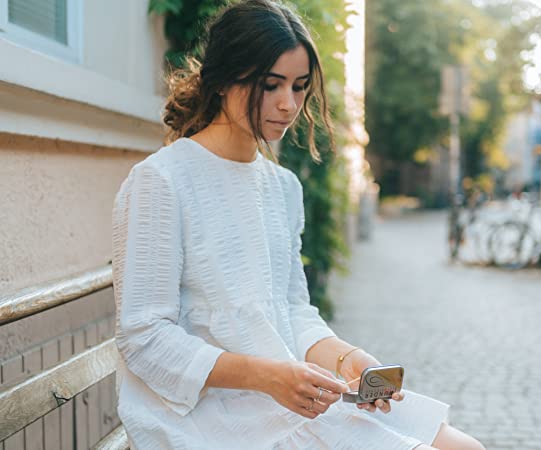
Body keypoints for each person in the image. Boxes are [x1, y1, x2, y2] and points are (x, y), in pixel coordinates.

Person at [111, 1, 485, 449]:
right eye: (271, 85)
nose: (288, 105)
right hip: (209, 418)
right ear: (226, 78)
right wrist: (267, 376)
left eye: (300, 86)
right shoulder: (162, 181)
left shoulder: (281, 187)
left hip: (288, 400)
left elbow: (290, 311)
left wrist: (348, 360)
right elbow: (144, 338)